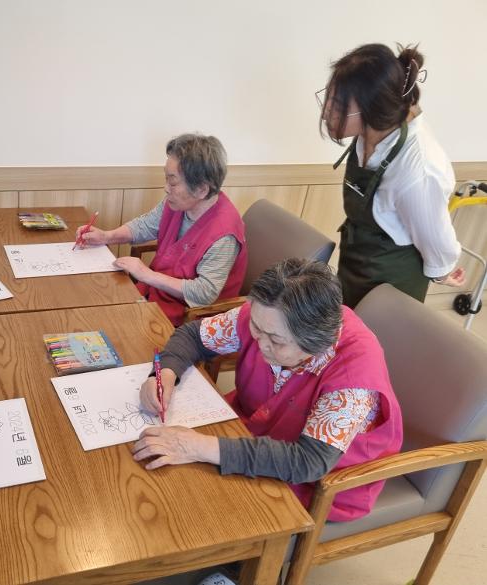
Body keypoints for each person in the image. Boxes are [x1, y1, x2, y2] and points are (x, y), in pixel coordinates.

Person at [132, 258, 403, 523]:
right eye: (256, 328)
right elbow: (194, 336)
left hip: (316, 481)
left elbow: (308, 462)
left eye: (275, 340)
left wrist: (198, 446)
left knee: (196, 513)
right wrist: (164, 374)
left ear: (315, 344)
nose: (259, 342)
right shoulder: (270, 315)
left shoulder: (354, 375)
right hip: (253, 431)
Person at [319, 43, 464, 307]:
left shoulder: (418, 168)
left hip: (392, 283)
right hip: (355, 262)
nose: (328, 110)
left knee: (374, 333)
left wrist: (443, 271)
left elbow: (435, 238)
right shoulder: (373, 132)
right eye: (329, 97)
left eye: (339, 105)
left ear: (372, 109)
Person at [75, 133, 247, 326]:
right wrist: (106, 236)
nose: (166, 188)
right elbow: (145, 226)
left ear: (201, 189)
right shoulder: (178, 203)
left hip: (190, 320)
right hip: (155, 296)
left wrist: (146, 274)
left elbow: (204, 293)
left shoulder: (224, 235)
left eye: (172, 182)